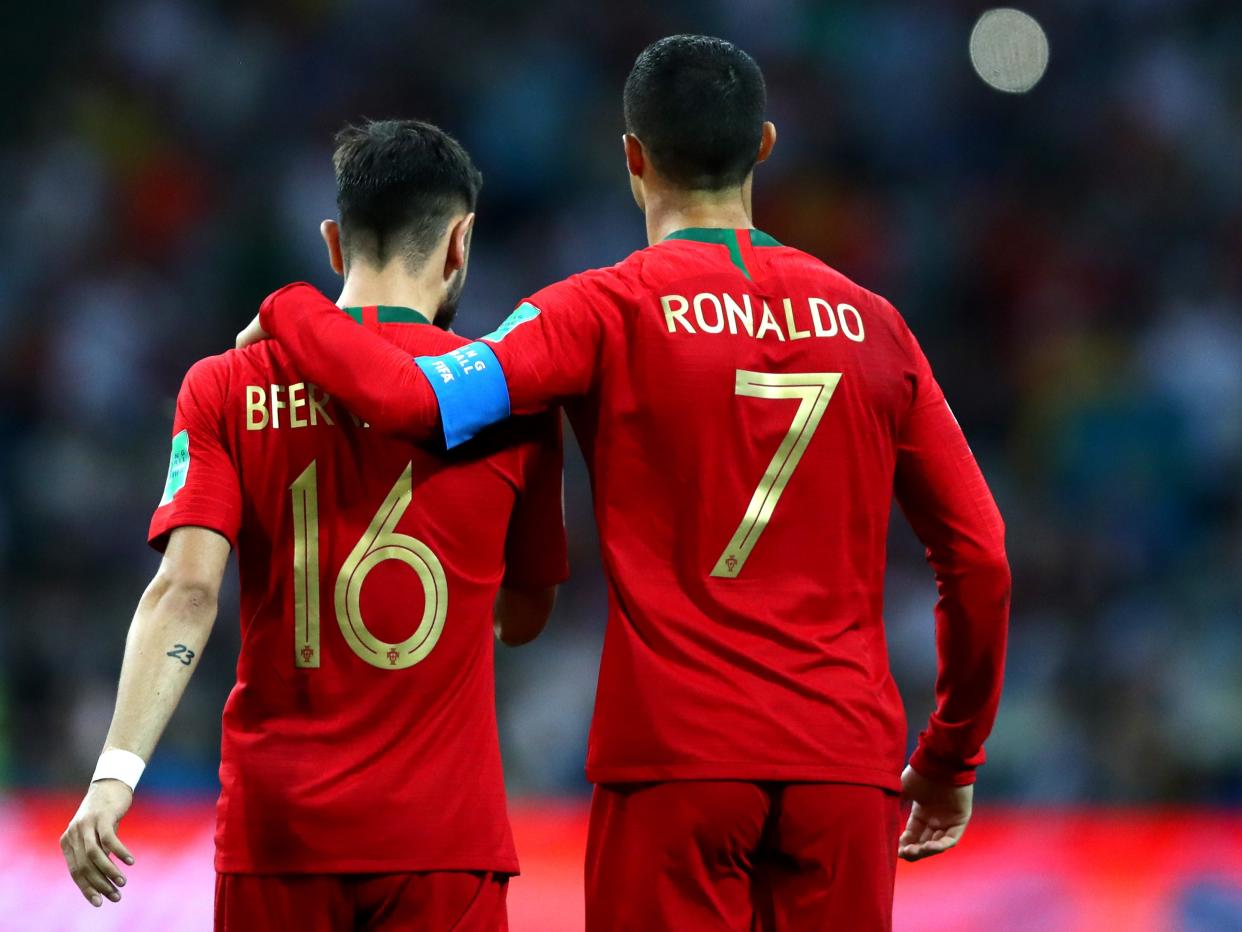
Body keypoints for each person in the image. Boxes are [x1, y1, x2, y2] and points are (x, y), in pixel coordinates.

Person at [240, 36, 1011, 932]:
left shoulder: (598, 309)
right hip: (844, 763)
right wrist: (952, 756)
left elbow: (410, 399)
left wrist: (290, 305)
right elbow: (981, 557)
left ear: (632, 157)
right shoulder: (877, 325)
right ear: (763, 146)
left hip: (675, 764)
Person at [59, 119, 567, 931]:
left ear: (334, 242)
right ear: (461, 243)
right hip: (444, 839)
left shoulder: (226, 384)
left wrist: (114, 775)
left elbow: (185, 592)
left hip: (278, 834)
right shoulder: (511, 401)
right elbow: (527, 616)